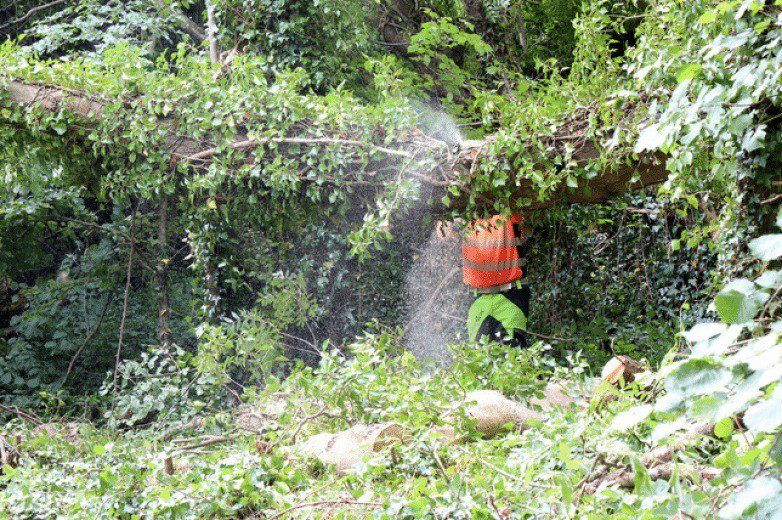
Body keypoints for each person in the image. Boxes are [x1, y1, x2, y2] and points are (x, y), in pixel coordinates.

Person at [461, 213, 530, 348]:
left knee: (511, 353)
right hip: (478, 299)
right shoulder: (466, 217)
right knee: (477, 357)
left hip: (511, 296)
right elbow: (444, 230)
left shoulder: (508, 212)